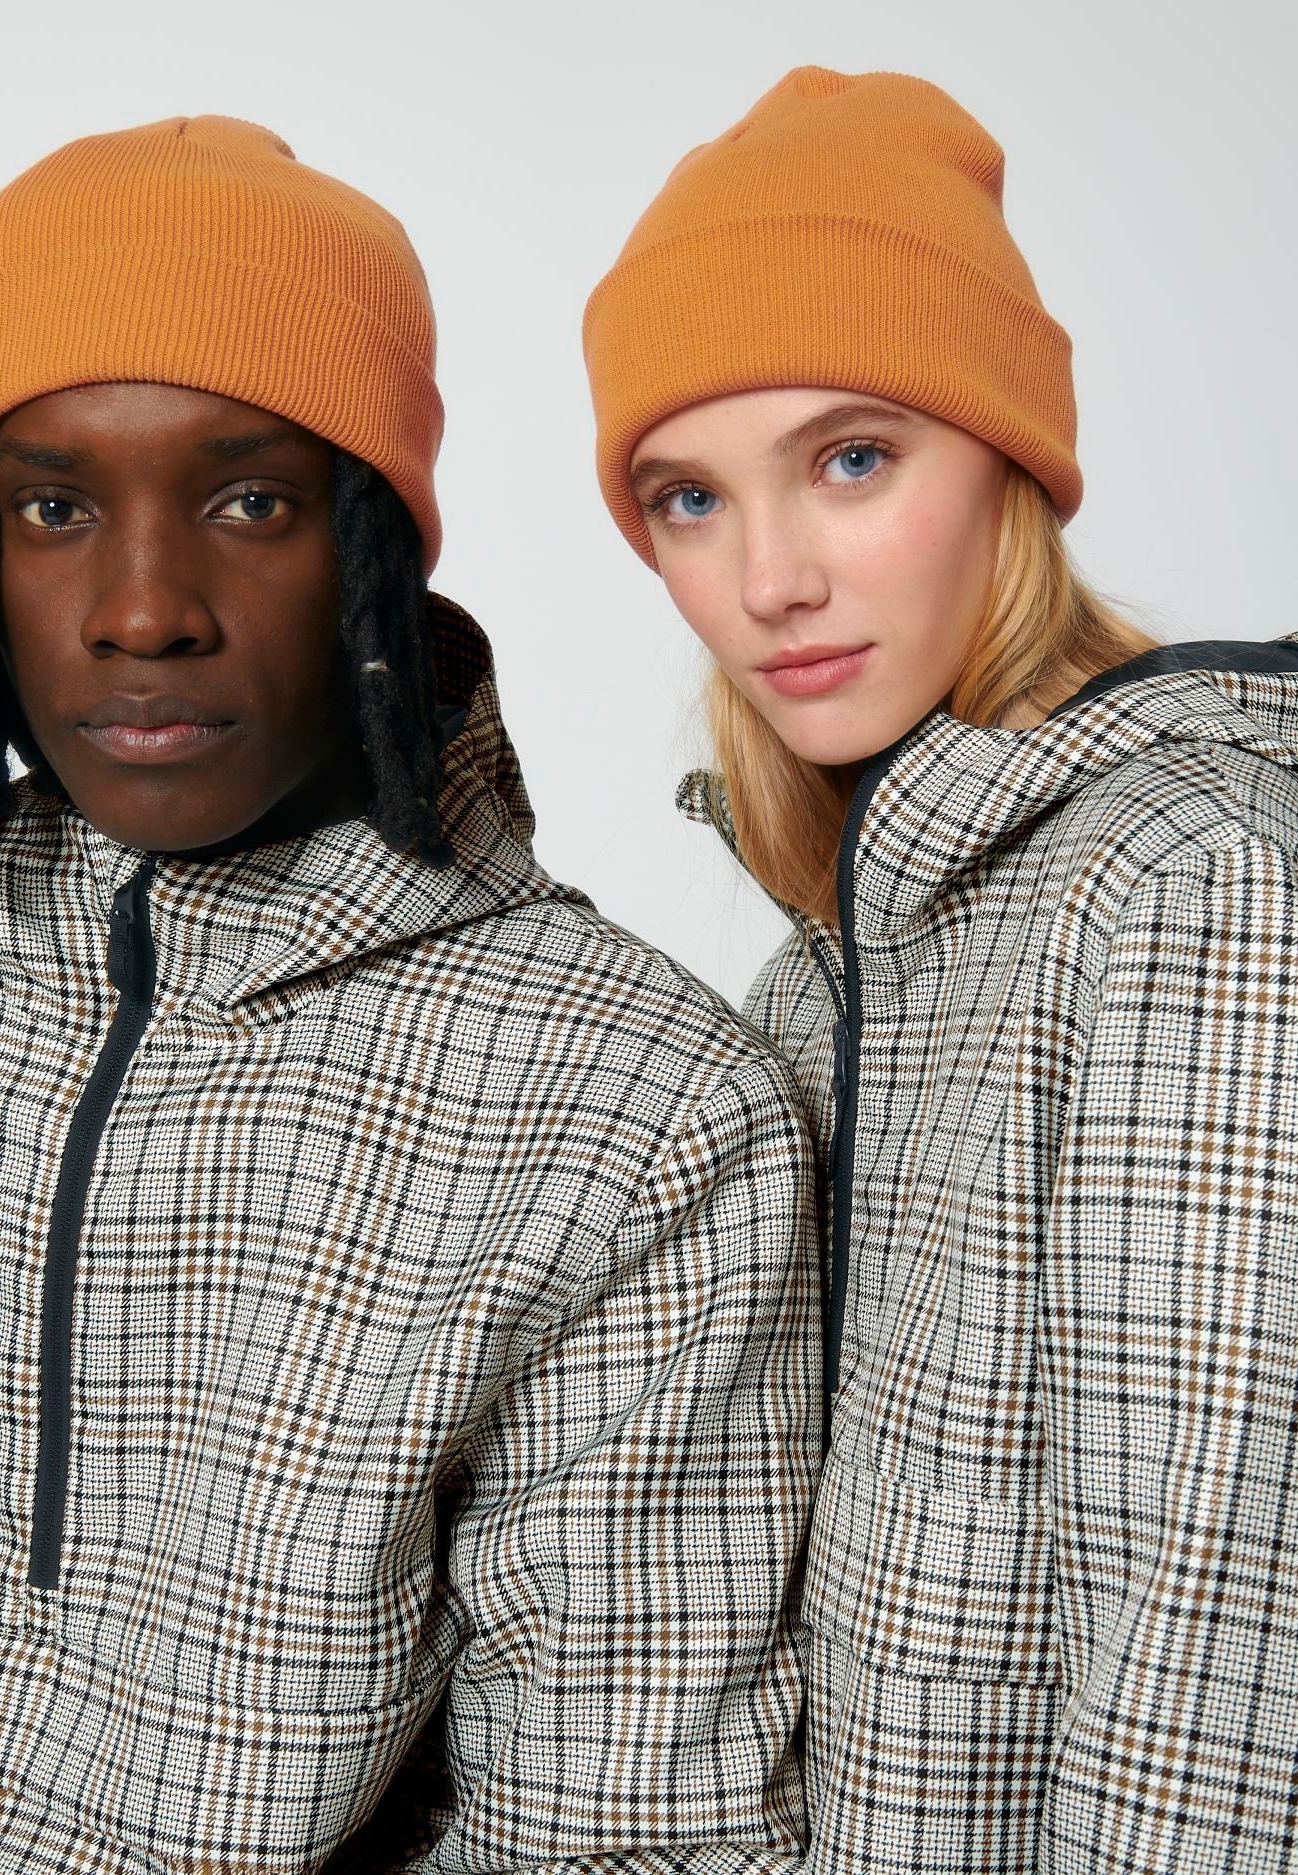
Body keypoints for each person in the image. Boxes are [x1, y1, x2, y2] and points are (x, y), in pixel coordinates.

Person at [0, 115, 822, 1870]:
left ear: (377, 543)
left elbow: (618, 1825)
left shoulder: (642, 1110)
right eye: (54, 507)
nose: (143, 613)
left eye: (250, 500)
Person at [583, 65, 1298, 1873]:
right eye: (688, 497)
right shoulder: (835, 962)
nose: (770, 579)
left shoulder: (1190, 885)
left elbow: (1211, 1650)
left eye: (852, 459)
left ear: (1007, 462)